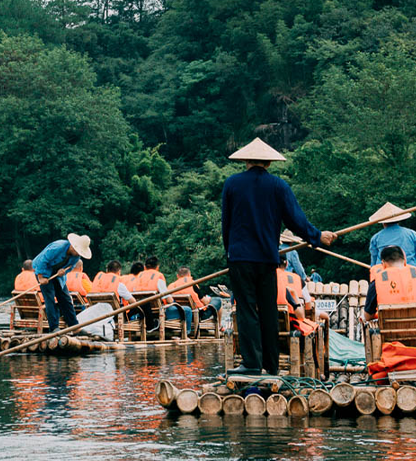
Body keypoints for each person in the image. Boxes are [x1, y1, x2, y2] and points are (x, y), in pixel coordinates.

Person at [221, 137, 337, 376]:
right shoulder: (278, 186)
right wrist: (317, 237)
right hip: (267, 258)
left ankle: (252, 363)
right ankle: (270, 364)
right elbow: (296, 221)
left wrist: (229, 254)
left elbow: (227, 225)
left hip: (241, 258)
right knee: (268, 310)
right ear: (269, 163)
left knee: (246, 310)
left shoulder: (231, 184)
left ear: (245, 160)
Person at [32, 233, 92, 333]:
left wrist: (63, 271)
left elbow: (70, 267)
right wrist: (41, 277)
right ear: (73, 246)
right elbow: (42, 261)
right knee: (50, 298)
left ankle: (74, 327)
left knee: (65, 298)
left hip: (58, 275)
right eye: (78, 251)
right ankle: (54, 328)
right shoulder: (58, 247)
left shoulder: (76, 257)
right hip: (43, 270)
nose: (78, 254)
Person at [135, 257, 193, 334]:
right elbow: (169, 300)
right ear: (157, 267)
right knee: (188, 310)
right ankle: (187, 333)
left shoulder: (137, 278)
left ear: (145, 267)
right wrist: (174, 302)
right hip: (160, 312)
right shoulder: (158, 278)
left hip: (141, 311)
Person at [363, 245, 416, 321]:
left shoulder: (377, 281)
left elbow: (367, 316)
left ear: (383, 263)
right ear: (405, 260)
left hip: (389, 328)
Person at [368, 202, 416, 266]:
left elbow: (374, 260)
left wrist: (373, 271)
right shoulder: (412, 234)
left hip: (384, 273)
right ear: (399, 220)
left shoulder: (376, 238)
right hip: (410, 272)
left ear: (383, 222)